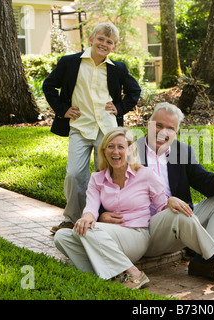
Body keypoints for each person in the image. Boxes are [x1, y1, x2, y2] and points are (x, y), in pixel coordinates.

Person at [103, 102, 214, 278]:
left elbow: (204, 182)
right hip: (147, 230)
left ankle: (202, 261)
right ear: (148, 124)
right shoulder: (128, 152)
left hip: (181, 222)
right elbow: (103, 186)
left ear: (176, 133)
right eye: (158, 125)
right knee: (177, 211)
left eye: (170, 128)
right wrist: (101, 213)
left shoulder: (182, 151)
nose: (162, 132)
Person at [43, 22, 141, 234]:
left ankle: (102, 217)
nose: (104, 44)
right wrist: (63, 109)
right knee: (74, 174)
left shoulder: (118, 69)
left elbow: (134, 91)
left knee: (105, 174)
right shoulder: (70, 63)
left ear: (114, 46)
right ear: (91, 39)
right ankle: (72, 218)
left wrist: (120, 107)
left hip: (107, 130)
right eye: (100, 39)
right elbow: (48, 85)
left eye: (109, 42)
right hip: (80, 126)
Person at [54, 127, 167, 289]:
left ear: (130, 149)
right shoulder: (96, 178)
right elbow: (91, 208)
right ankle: (109, 274)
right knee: (61, 236)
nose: (115, 151)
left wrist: (173, 205)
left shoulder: (146, 174)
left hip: (137, 236)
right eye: (110, 146)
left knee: (90, 230)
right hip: (106, 237)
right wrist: (87, 216)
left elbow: (163, 206)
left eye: (121, 147)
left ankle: (134, 273)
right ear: (104, 150)